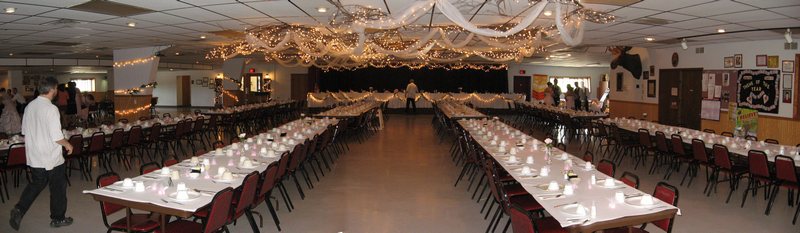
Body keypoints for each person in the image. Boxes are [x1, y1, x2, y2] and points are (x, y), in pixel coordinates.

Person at [9, 77, 75, 231]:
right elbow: (57, 137)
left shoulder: (29, 106)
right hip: (51, 156)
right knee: (58, 186)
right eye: (56, 89)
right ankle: (58, 218)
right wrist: (68, 144)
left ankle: (19, 208)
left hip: (35, 155)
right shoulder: (51, 109)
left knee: (37, 183)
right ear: (52, 89)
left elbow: (24, 131)